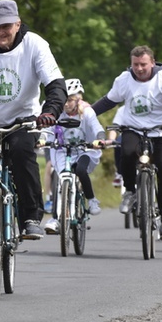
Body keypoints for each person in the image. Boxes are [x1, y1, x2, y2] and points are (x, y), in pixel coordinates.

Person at [0, 0, 67, 272]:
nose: (1, 32)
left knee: (21, 155)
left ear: (17, 24)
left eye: (7, 26)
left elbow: (55, 85)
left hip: (23, 120)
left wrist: (50, 111)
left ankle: (31, 217)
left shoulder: (35, 45)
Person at [92, 45, 162, 239]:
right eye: (135, 65)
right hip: (133, 128)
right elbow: (108, 101)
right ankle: (131, 192)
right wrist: (87, 113)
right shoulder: (124, 79)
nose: (139, 69)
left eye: (143, 64)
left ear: (152, 62)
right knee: (125, 152)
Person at [39, 78, 105, 234]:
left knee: (81, 171)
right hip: (62, 149)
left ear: (78, 99)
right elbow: (47, 129)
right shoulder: (57, 111)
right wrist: (42, 140)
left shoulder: (86, 112)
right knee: (61, 178)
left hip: (84, 149)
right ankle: (56, 217)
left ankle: (92, 200)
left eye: (70, 100)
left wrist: (100, 139)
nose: (66, 104)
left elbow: (97, 128)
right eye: (64, 100)